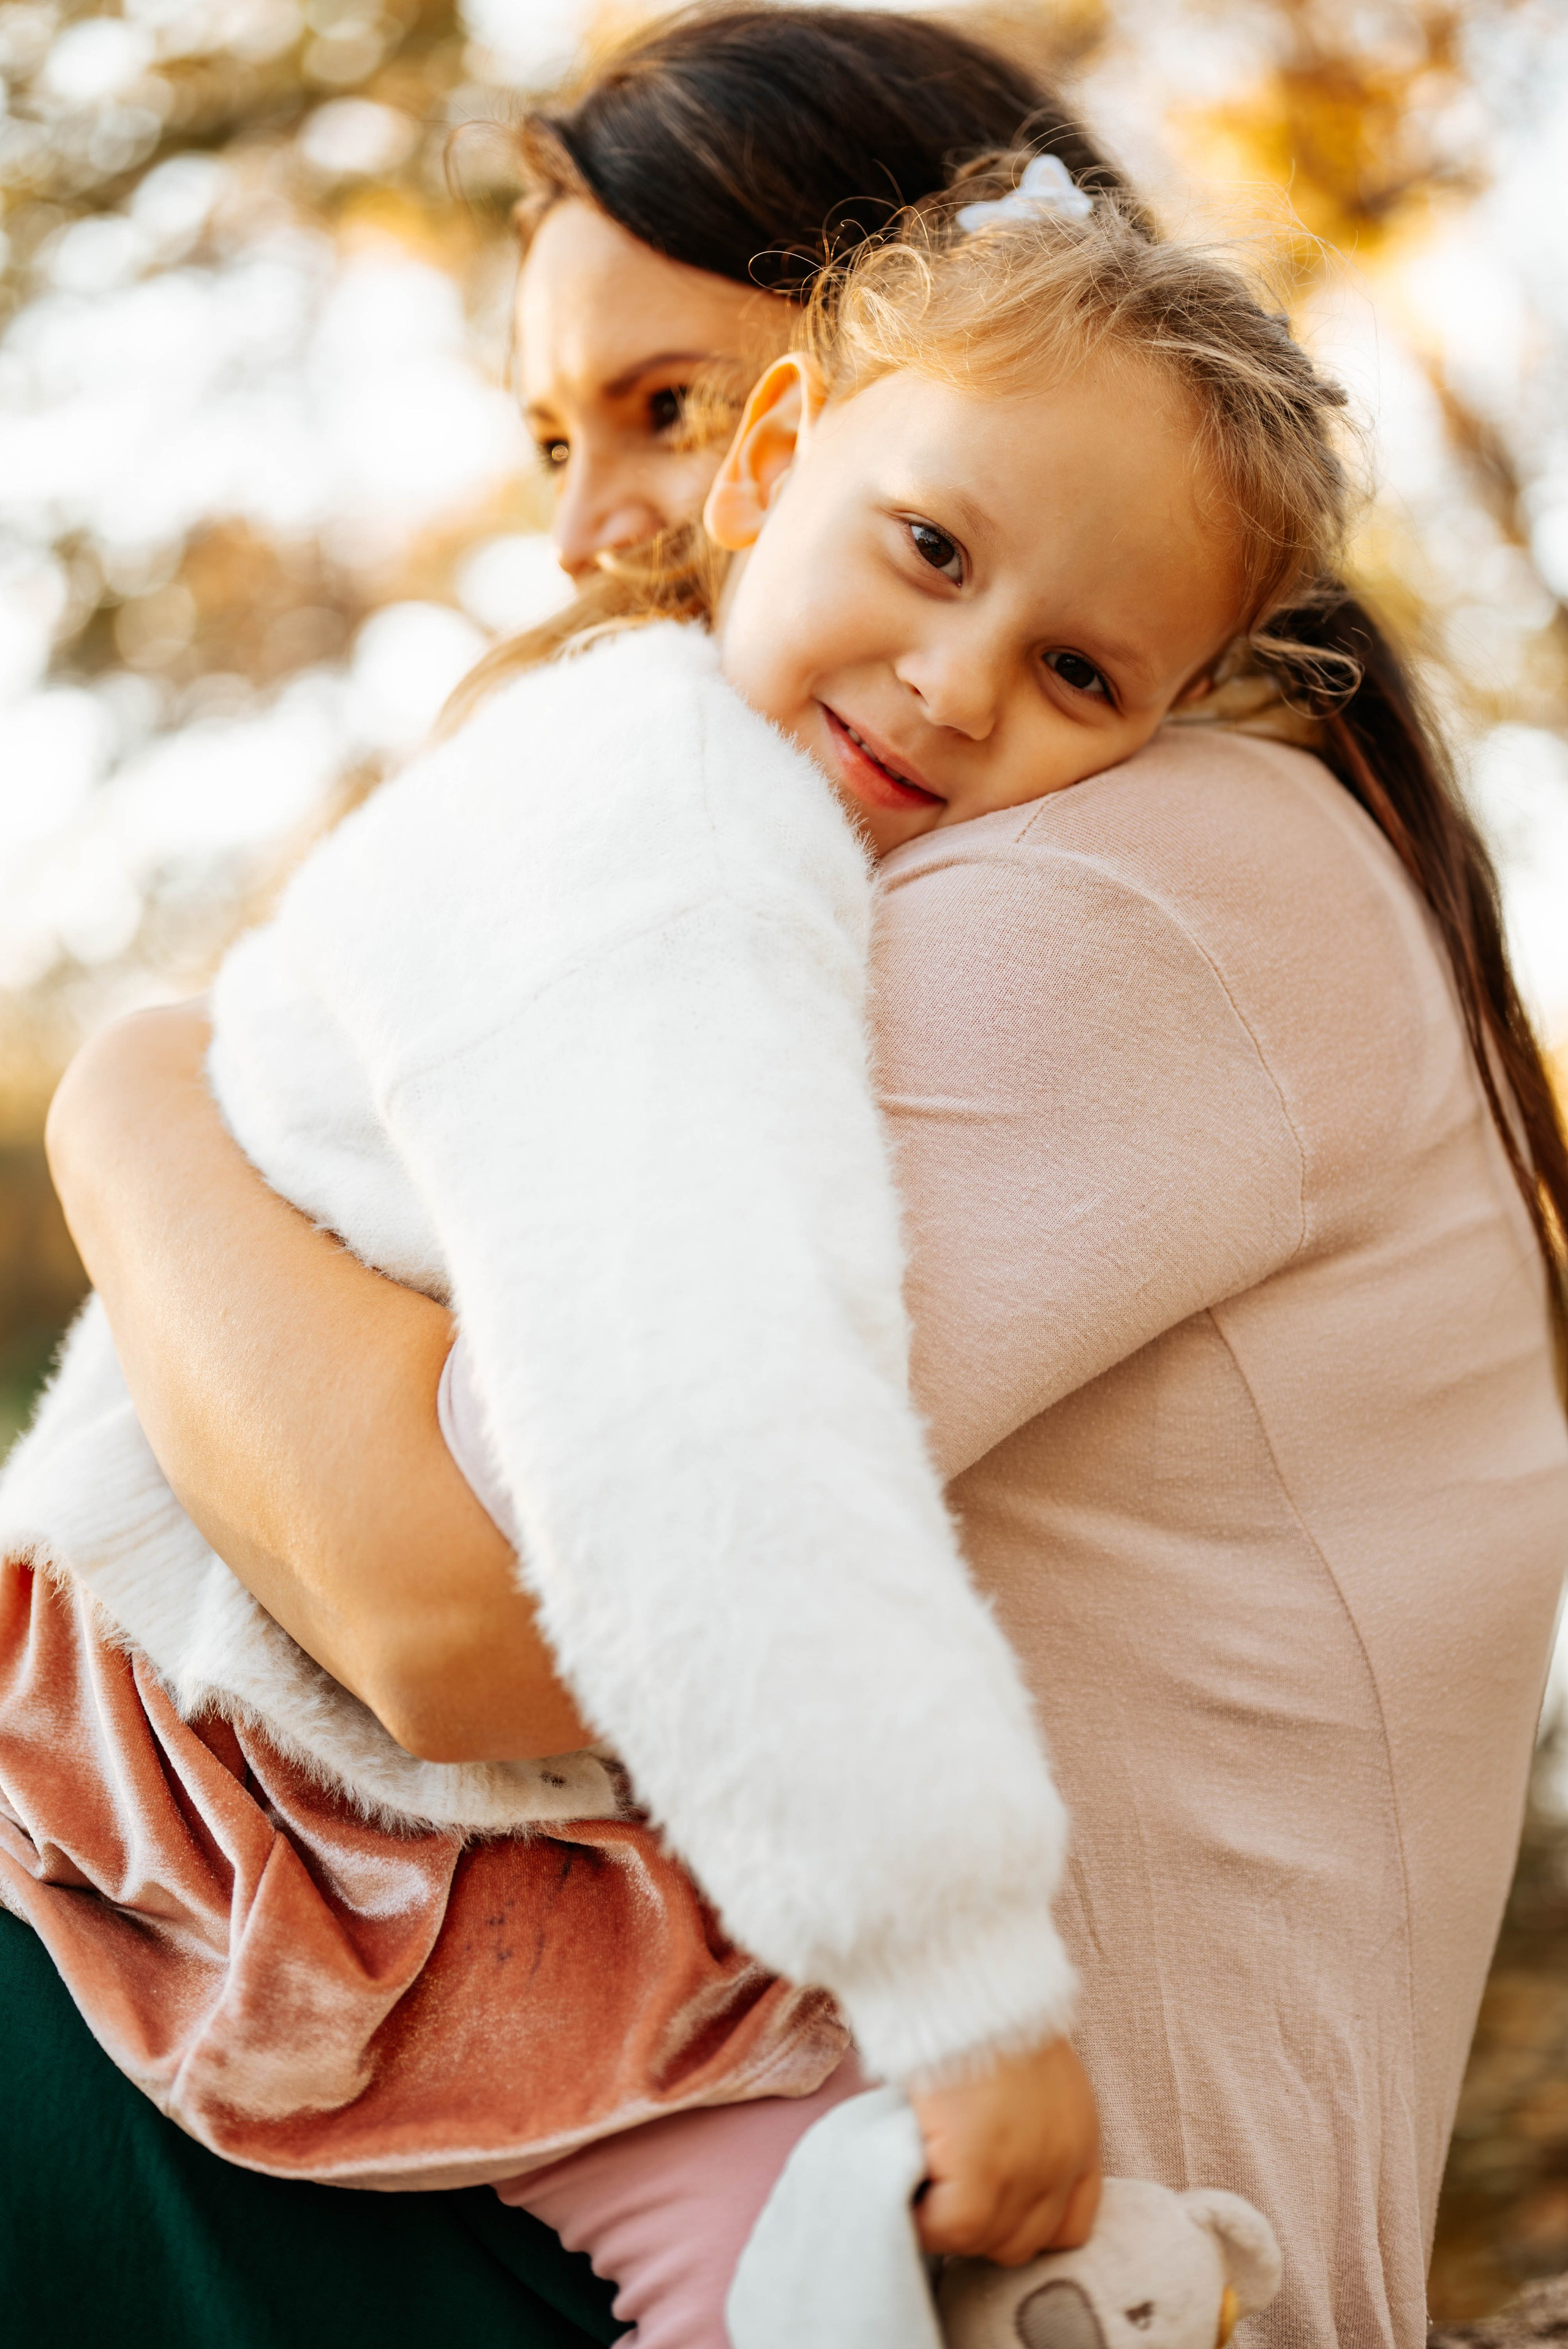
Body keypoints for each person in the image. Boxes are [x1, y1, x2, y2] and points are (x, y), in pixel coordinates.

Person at [17, 13, 1568, 2349]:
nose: (584, 528)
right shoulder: (827, 822)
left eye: (655, 403)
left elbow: (467, 1605)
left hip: (875, 2167)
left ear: (850, 353)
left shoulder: (1138, 875)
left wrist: (118, 1104)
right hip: (553, 2044)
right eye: (555, 434)